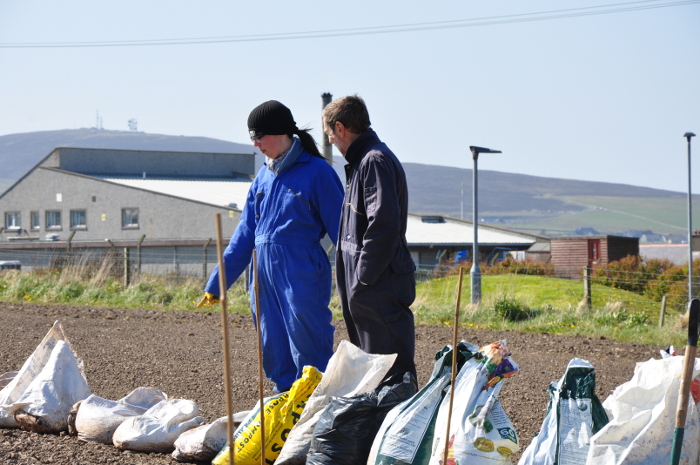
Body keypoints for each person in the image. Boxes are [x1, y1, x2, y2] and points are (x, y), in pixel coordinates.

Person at [198, 100, 344, 392]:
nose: (255, 144)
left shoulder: (317, 172)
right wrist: (218, 282)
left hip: (301, 272)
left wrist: (357, 279)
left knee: (308, 340)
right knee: (272, 342)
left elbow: (343, 231)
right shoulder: (262, 178)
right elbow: (244, 236)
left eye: (259, 136)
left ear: (280, 133)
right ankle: (283, 408)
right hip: (262, 276)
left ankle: (314, 407)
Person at [322, 95, 417, 387]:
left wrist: (362, 279)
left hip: (378, 288)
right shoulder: (365, 161)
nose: (332, 144)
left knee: (390, 375)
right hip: (372, 289)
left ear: (340, 128)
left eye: (329, 136)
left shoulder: (373, 161)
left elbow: (383, 223)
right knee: (376, 375)